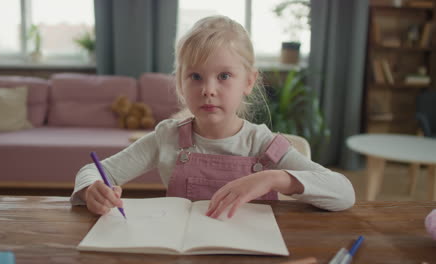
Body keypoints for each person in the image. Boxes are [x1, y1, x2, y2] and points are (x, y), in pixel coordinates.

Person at [70, 15, 355, 219]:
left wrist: (274, 178)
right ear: (180, 83)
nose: (208, 90)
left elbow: (344, 193)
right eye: (195, 76)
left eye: (224, 76)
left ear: (249, 81)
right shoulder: (167, 137)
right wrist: (91, 189)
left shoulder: (264, 144)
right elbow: (92, 170)